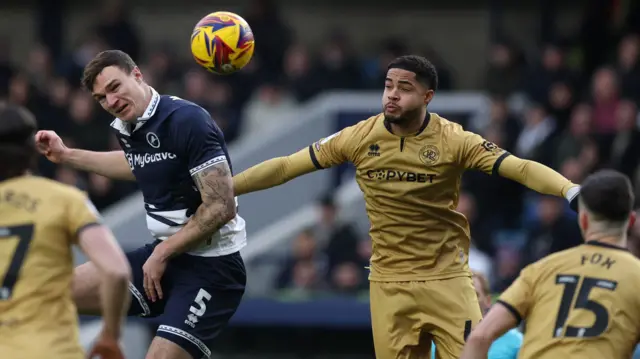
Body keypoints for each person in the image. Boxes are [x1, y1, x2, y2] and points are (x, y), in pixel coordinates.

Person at [231, 55, 581, 359]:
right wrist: (228, 188)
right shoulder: (358, 137)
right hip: (389, 283)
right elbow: (285, 167)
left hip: (447, 279)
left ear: (427, 96)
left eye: (405, 87)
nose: (393, 94)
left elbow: (518, 167)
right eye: (388, 85)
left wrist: (569, 190)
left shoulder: (454, 140)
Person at [35, 50, 246, 359]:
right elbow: (138, 164)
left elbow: (221, 206)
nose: (110, 101)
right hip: (165, 256)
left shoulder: (187, 120)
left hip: (212, 269)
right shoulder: (129, 126)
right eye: (101, 98)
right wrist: (67, 155)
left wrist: (162, 252)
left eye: (114, 87)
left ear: (137, 75)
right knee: (47, 292)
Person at [461, 169, 640, 359]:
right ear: (631, 221)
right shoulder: (635, 274)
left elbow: (479, 337)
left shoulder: (542, 268)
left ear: (584, 220)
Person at [0, 103, 131, 359]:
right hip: (54, 350)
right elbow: (116, 271)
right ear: (32, 151)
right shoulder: (66, 200)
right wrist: (110, 336)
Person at [432, 271, 521, 359]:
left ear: (488, 301)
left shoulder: (516, 342)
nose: (466, 300)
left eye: (474, 294)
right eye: (460, 294)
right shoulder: (434, 341)